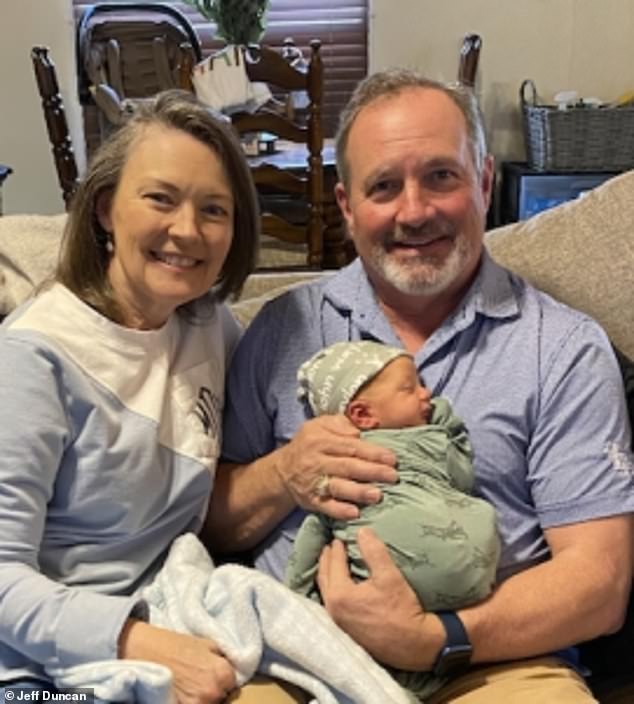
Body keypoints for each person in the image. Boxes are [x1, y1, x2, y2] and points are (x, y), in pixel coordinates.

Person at [214, 68, 634, 702]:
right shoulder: (281, 330)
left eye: (442, 176)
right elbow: (208, 519)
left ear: (485, 182)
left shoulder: (563, 349)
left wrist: (436, 636)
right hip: (294, 657)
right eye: (384, 186)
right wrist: (281, 475)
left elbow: (599, 584)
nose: (415, 211)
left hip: (491, 662)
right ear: (348, 206)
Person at [0, 90, 305, 704]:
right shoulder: (34, 356)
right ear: (106, 208)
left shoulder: (211, 327)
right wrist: (135, 640)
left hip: (177, 614)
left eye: (214, 210)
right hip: (39, 668)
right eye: (161, 198)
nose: (187, 231)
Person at [286, 339, 499, 700]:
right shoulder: (426, 441)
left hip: (473, 628)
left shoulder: (417, 439)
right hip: (467, 581)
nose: (426, 393)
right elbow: (461, 477)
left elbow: (316, 527)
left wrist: (296, 597)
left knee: (330, 525)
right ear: (363, 415)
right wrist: (448, 424)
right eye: (410, 387)